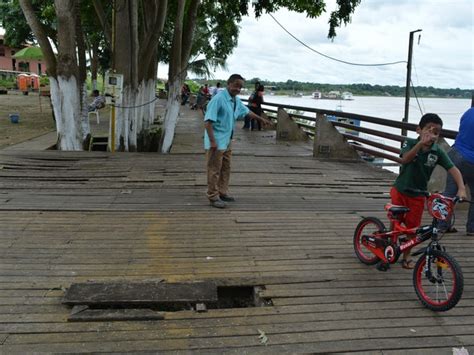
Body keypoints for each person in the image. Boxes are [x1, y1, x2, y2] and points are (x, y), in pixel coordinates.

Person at [390, 113, 466, 269]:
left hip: (418, 195)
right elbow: (405, 159)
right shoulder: (410, 143)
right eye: (428, 130)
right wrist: (419, 145)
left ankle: (406, 255)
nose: (432, 135)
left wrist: (461, 188)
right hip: (400, 190)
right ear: (419, 130)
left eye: (436, 132)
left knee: (412, 228)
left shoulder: (437, 151)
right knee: (395, 222)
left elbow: (453, 169)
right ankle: (390, 247)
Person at [204, 74, 272, 209]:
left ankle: (222, 192)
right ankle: (213, 196)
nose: (238, 89)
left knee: (226, 167)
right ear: (228, 84)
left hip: (227, 140)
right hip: (216, 141)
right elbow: (207, 122)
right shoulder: (218, 99)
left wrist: (261, 119)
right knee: (214, 169)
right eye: (236, 85)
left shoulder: (235, 100)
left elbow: (246, 112)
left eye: (240, 87)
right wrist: (212, 141)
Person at [439, 107, 474, 235]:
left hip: (455, 153)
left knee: (449, 193)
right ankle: (472, 228)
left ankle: (441, 225)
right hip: (471, 159)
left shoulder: (468, 112)